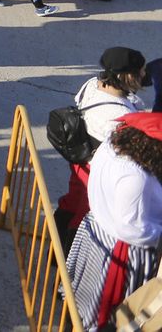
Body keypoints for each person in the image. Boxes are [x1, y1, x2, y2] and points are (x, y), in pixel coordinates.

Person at [66, 113, 162, 331]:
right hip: (122, 251)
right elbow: (131, 229)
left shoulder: (113, 142)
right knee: (114, 309)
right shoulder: (136, 178)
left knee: (85, 301)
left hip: (97, 231)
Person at [56, 47, 150, 246]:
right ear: (126, 76)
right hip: (96, 168)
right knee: (85, 215)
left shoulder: (92, 84)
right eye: (140, 71)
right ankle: (64, 255)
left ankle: (55, 236)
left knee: (72, 200)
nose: (144, 74)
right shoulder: (118, 115)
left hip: (80, 158)